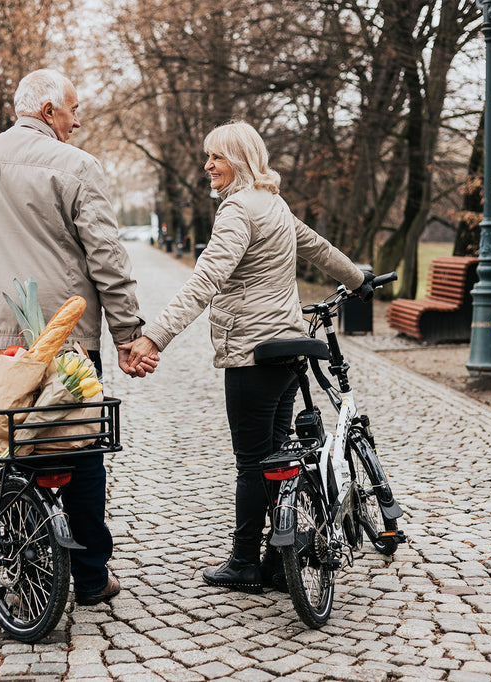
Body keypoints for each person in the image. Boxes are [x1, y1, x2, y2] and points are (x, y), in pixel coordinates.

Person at [0, 68, 158, 606]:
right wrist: (129, 332)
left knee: (3, 446)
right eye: (72, 109)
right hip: (66, 341)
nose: (77, 120)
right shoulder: (79, 167)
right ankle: (87, 575)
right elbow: (108, 258)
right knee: (81, 450)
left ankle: (18, 566)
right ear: (47, 111)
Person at [122, 121, 374, 594]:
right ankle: (282, 562)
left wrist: (155, 337)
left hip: (252, 354)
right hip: (289, 350)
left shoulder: (238, 210)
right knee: (277, 456)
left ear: (238, 158)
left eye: (215, 156)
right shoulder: (273, 204)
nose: (207, 166)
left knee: (252, 462)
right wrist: (359, 281)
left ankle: (243, 562)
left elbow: (205, 281)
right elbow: (317, 247)